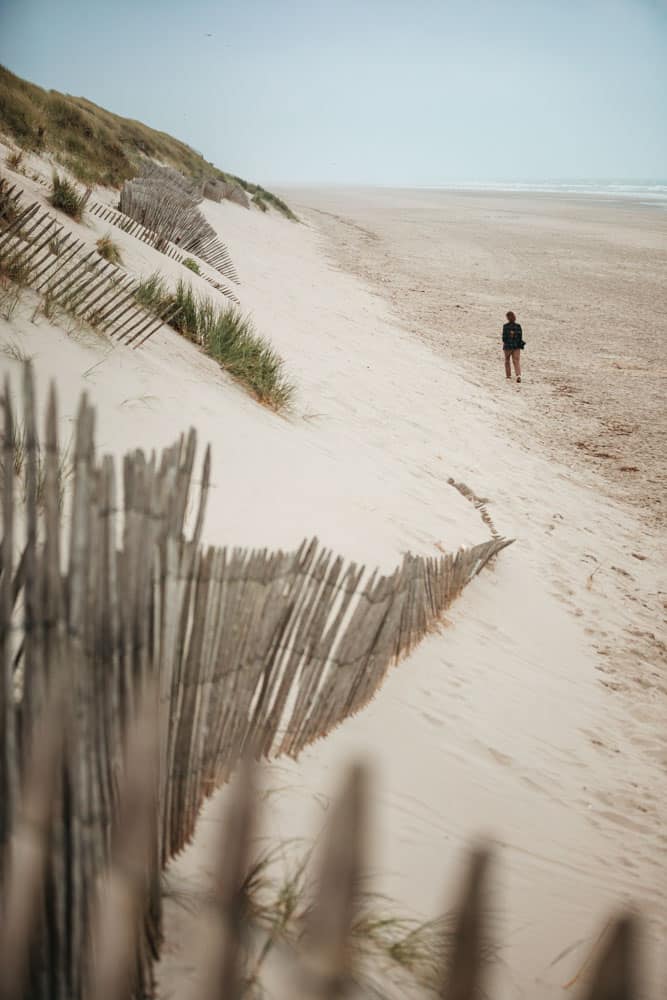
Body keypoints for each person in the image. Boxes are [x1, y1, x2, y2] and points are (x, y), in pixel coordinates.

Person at [502, 310, 524, 383]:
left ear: (508, 318)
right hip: (516, 346)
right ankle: (518, 375)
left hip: (507, 347)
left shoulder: (505, 326)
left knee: (507, 360)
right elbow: (520, 337)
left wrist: (510, 337)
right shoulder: (518, 326)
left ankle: (508, 375)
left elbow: (504, 338)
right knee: (516, 361)